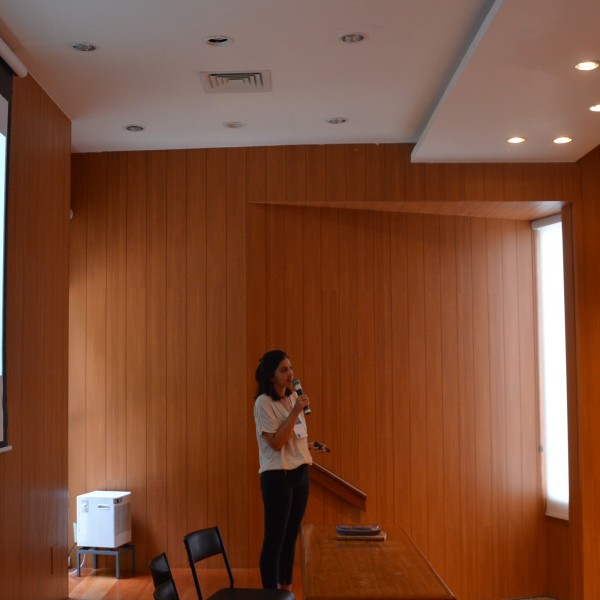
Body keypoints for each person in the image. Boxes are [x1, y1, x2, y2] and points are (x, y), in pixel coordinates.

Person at [253, 349, 327, 592]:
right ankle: (269, 595)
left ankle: (285, 590)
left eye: (291, 369)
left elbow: (291, 437)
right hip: (277, 478)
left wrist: (306, 445)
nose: (290, 374)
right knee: (275, 539)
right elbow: (275, 442)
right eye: (284, 370)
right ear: (271, 375)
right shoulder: (263, 403)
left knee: (290, 536)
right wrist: (296, 410)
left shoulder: (293, 398)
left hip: (300, 473)